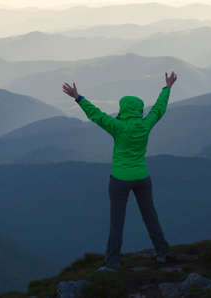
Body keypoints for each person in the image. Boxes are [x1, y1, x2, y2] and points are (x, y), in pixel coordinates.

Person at [62, 71, 178, 272]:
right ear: (139, 109)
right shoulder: (145, 124)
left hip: (119, 180)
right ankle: (162, 252)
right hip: (142, 177)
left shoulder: (117, 126)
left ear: (123, 108)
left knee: (117, 221)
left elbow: (96, 114)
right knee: (150, 216)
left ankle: (113, 261)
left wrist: (78, 97)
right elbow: (159, 109)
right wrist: (167, 87)